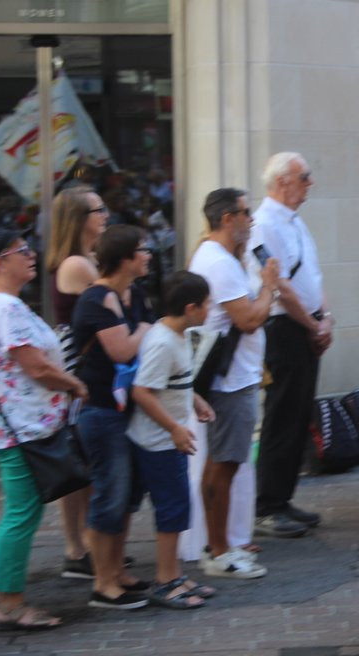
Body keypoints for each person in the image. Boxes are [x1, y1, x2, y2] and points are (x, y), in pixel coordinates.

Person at [0, 227, 88, 629]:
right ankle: (9, 603)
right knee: (21, 514)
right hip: (18, 426)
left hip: (19, 424)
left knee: (23, 511)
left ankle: (0, 596)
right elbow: (35, 366)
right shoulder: (4, 308)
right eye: (21, 251)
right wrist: (74, 384)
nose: (31, 254)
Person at [189, 188, 278, 578]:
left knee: (223, 463)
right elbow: (249, 320)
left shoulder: (222, 257)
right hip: (229, 381)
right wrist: (270, 285)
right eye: (245, 212)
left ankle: (220, 544)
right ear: (227, 219)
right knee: (223, 465)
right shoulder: (219, 262)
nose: (251, 219)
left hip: (234, 377)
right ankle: (220, 550)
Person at [71, 225, 154, 609]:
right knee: (109, 494)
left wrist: (141, 330)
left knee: (128, 496)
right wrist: (147, 330)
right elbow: (122, 351)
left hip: (129, 409)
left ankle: (117, 569)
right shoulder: (95, 298)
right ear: (124, 259)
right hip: (101, 412)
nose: (149, 254)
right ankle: (103, 583)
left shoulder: (133, 294)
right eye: (142, 250)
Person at [250, 153, 331, 538]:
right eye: (305, 177)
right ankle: (268, 504)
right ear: (283, 182)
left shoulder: (293, 221)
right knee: (282, 415)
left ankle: (282, 498)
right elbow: (280, 288)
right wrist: (313, 324)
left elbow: (312, 275)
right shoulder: (264, 224)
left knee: (298, 416)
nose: (309, 184)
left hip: (304, 327)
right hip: (284, 329)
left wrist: (324, 317)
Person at [129, 270, 218, 609]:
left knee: (178, 507)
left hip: (168, 439)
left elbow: (173, 381)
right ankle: (165, 580)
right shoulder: (163, 341)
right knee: (172, 508)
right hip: (159, 443)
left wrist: (195, 401)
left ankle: (174, 574)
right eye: (207, 304)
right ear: (192, 307)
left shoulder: (176, 336)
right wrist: (175, 429)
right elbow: (143, 391)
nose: (210, 309)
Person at [45, 184, 109, 580]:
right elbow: (110, 306)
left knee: (83, 461)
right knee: (79, 460)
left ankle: (85, 543)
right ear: (79, 220)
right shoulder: (76, 264)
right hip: (78, 365)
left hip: (82, 361)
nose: (105, 215)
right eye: (97, 210)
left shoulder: (85, 259)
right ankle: (78, 546)